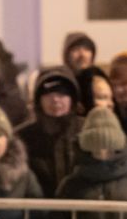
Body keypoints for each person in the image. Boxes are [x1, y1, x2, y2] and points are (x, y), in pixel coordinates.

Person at [18, 68, 84, 201]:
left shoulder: (87, 130)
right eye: (48, 94)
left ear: (72, 98)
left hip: (82, 213)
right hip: (39, 214)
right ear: (38, 99)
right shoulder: (24, 136)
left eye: (62, 94)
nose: (55, 100)